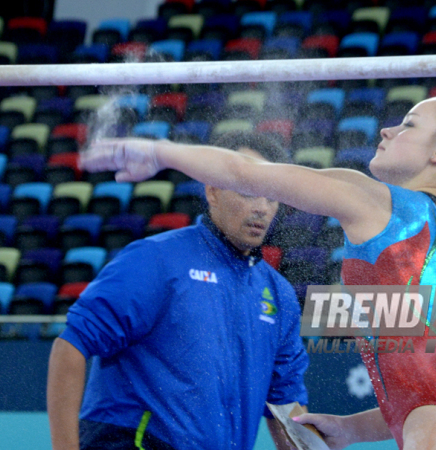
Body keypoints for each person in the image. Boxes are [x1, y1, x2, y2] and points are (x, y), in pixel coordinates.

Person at [80, 96, 436, 450]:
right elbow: (425, 383)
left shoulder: (380, 201)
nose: (387, 127)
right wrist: (349, 429)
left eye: (409, 124)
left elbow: (246, 173)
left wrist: (158, 149)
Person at [48, 131, 310, 450]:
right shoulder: (156, 259)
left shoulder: (279, 296)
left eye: (271, 195)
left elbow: (286, 408)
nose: (262, 209)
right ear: (212, 189)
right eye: (249, 191)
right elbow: (70, 346)